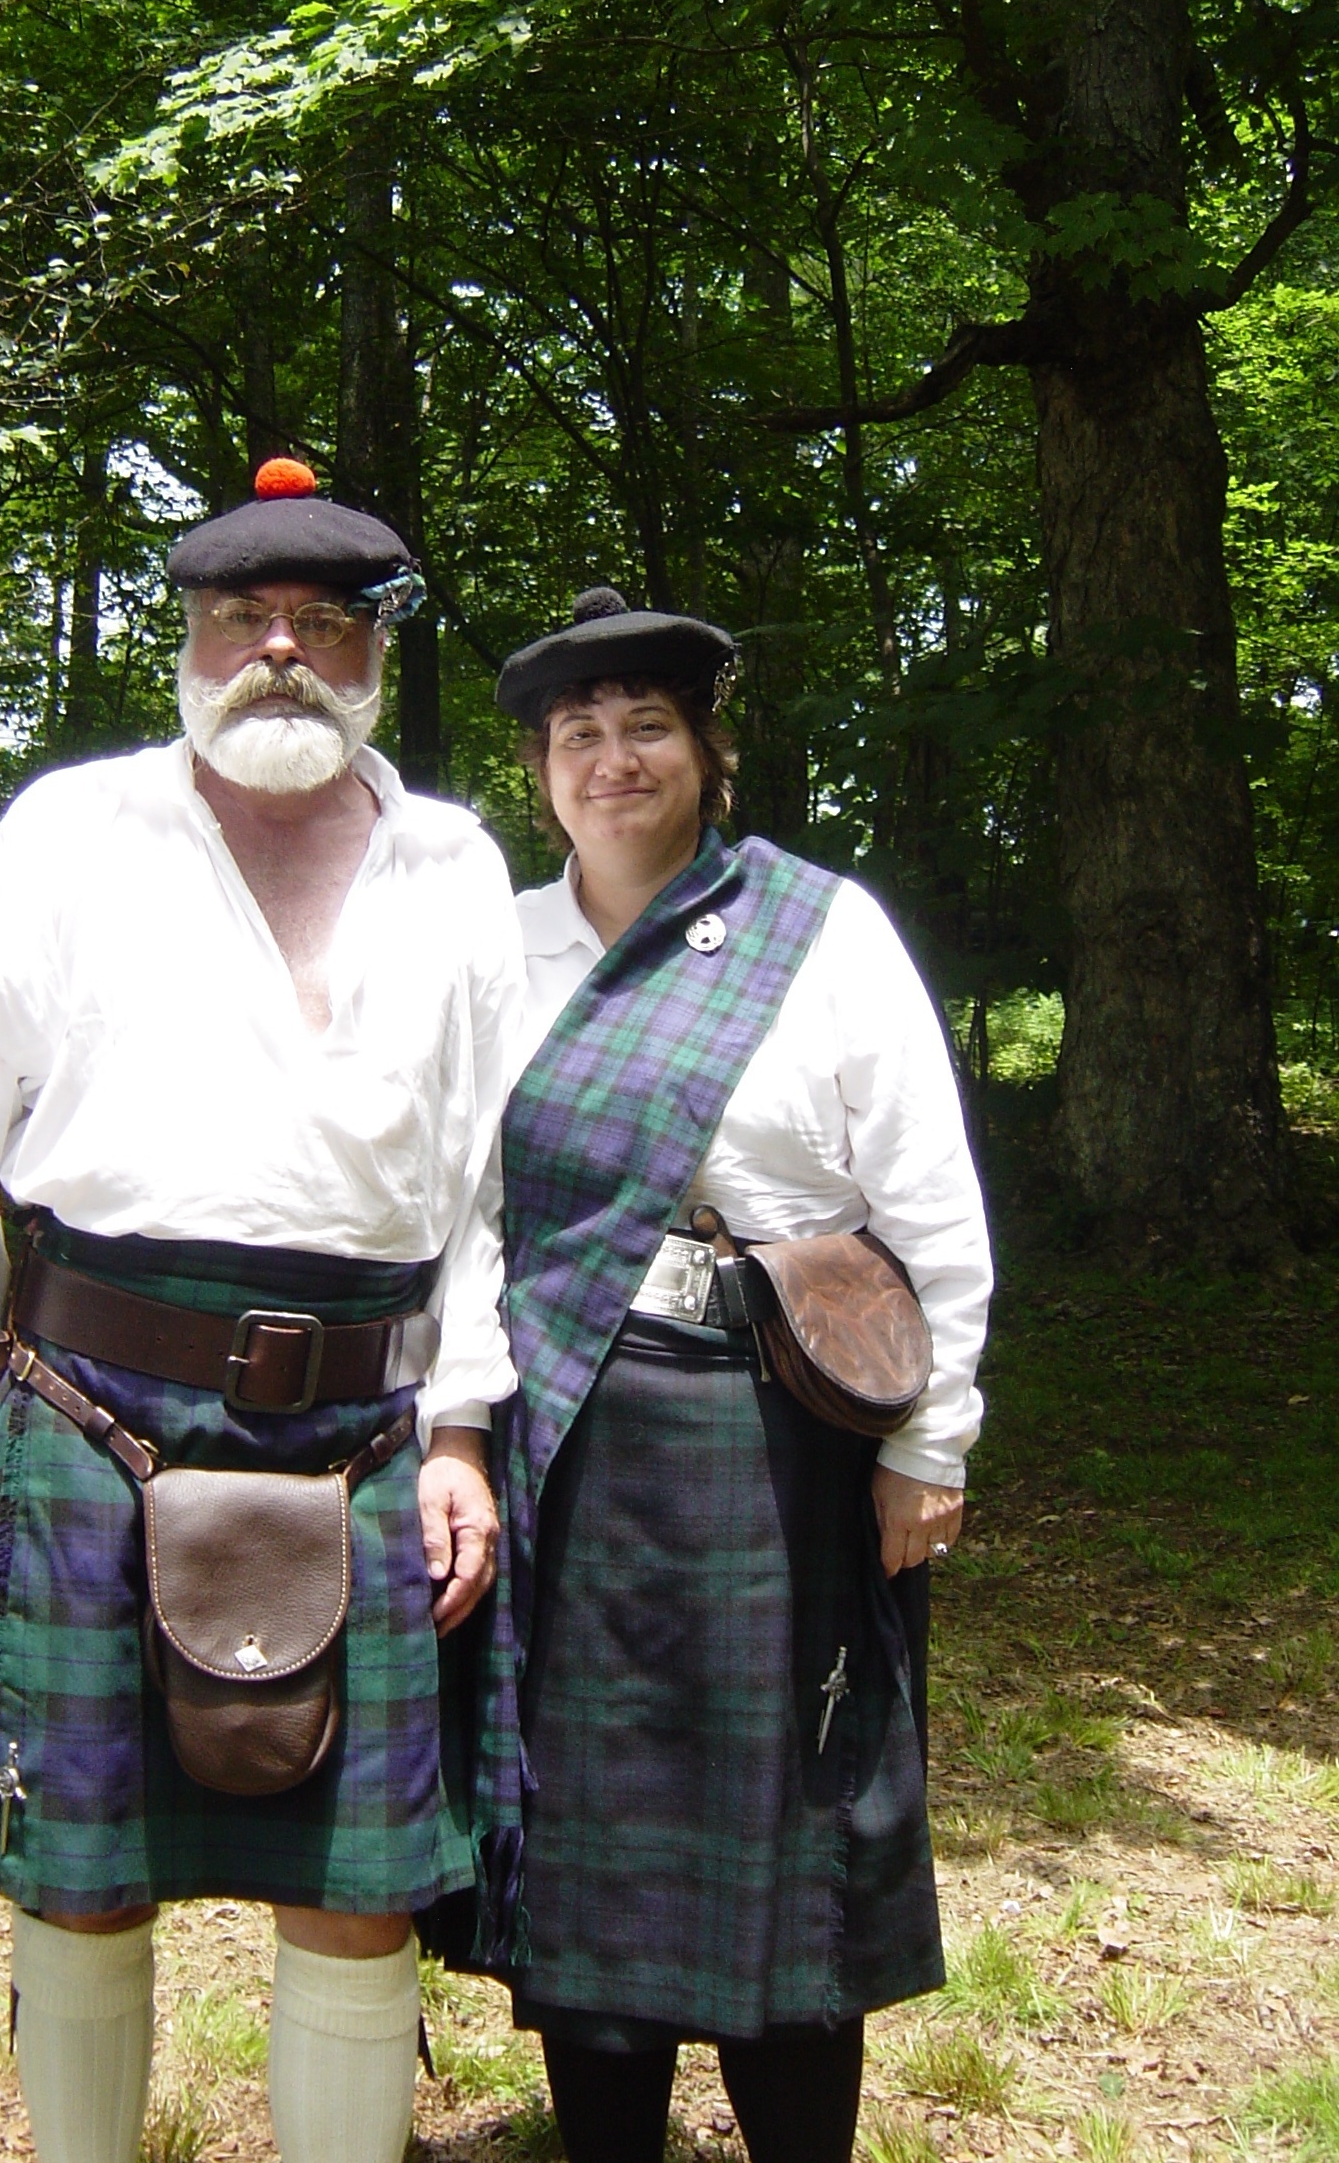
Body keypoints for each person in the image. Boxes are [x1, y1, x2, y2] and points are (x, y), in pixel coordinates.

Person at [0, 457, 525, 2163]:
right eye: (240, 616)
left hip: (368, 1422)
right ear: (189, 642)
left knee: (356, 1887)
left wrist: (460, 1429)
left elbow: (491, 1180)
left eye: (325, 622)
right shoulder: (74, 830)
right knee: (80, 1870)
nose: (281, 649)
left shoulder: (451, 860)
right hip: (92, 1400)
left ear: (374, 654)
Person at [481, 587, 992, 2163]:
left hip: (779, 1429)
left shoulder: (818, 926)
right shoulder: (497, 946)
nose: (612, 758)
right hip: (565, 1424)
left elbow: (929, 1199)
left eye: (648, 726)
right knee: (589, 1837)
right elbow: (455, 1209)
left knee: (789, 1827)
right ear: (542, 769)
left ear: (709, 752)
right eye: (578, 733)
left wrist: (932, 1439)